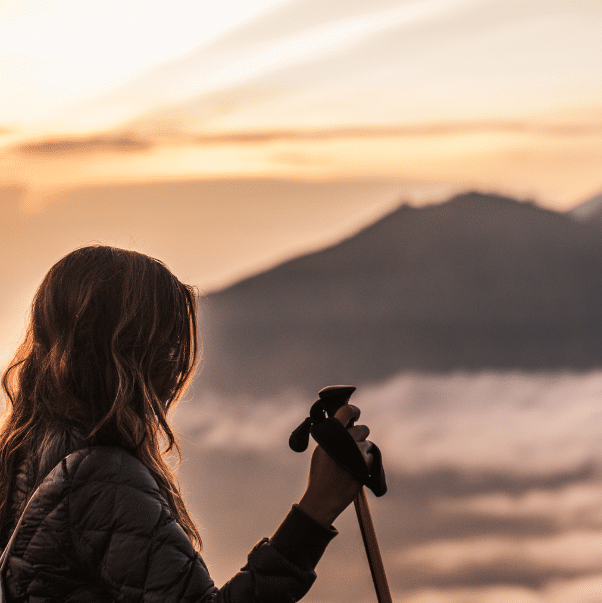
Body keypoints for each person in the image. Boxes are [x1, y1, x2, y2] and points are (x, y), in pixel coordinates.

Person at [0, 245, 371, 601]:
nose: (176, 366)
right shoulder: (100, 480)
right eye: (168, 345)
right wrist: (317, 508)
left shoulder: (21, 461)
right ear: (129, 356)